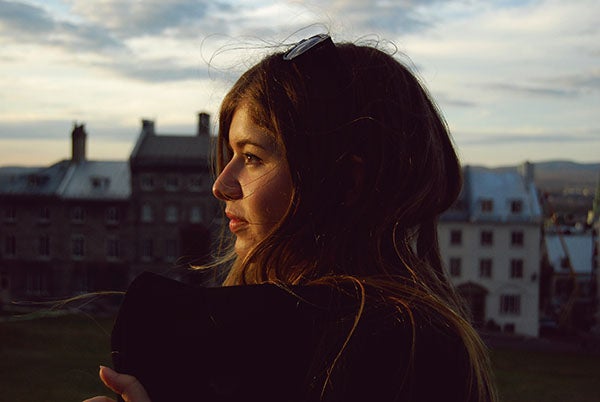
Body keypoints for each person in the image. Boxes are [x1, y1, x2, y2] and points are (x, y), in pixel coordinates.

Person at [85, 34, 498, 402]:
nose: (222, 185)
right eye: (229, 156)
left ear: (347, 182)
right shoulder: (428, 341)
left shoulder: (385, 354)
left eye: (251, 157)